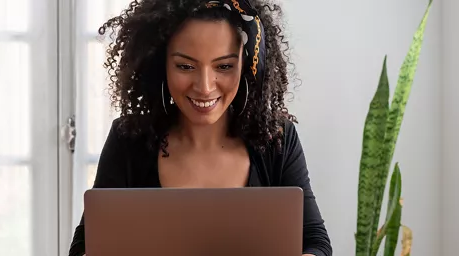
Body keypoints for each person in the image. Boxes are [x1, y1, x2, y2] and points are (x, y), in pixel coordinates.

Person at [68, 0, 332, 255]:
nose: (205, 86)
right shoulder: (128, 139)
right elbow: (85, 246)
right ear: (161, 64)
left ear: (247, 62)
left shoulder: (278, 140)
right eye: (185, 66)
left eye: (225, 66)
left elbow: (316, 242)